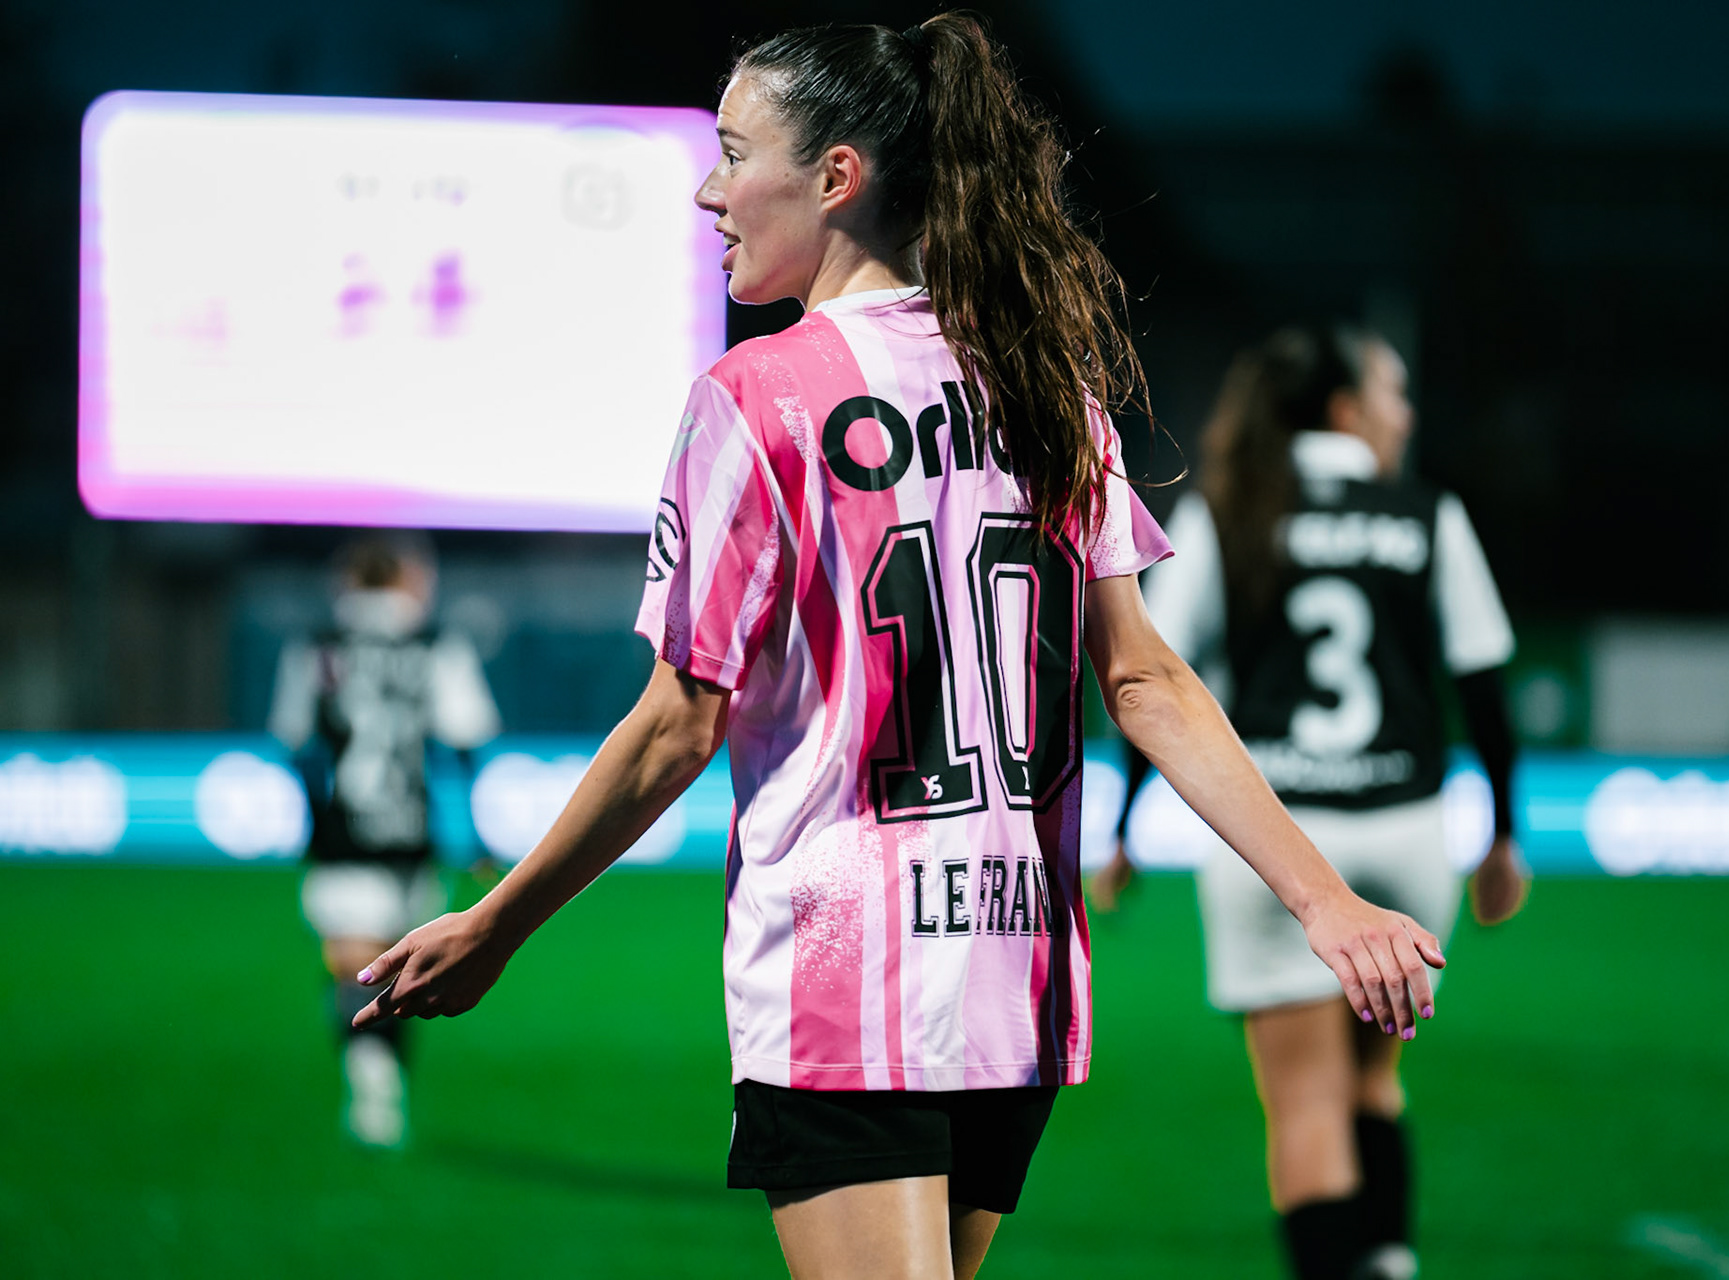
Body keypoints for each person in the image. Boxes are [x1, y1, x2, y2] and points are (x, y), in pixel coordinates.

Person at [350, 18, 1444, 1278]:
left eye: (731, 153)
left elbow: (676, 724)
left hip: (842, 969)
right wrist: (1325, 900)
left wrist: (496, 922)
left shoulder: (755, 397)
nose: (707, 190)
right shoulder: (1043, 385)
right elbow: (1143, 677)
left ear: (836, 177)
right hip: (1013, 971)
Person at [1094, 326, 1526, 1280]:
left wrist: (1123, 832)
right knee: (1376, 1084)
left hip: (1279, 846)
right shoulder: (1424, 512)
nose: (1402, 415)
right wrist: (1504, 836)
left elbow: (1157, 676)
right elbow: (1485, 680)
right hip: (1409, 830)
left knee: (1305, 1105)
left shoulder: (1236, 510)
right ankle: (1390, 1263)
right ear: (1343, 409)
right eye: (1391, 395)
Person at [269, 536, 500, 1149]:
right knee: (402, 975)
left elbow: (296, 743)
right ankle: (383, 1082)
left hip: (343, 838)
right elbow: (464, 740)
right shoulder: (436, 644)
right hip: (411, 840)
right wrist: (475, 838)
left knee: (351, 966)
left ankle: (368, 1081)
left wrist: (315, 821)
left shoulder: (317, 647)